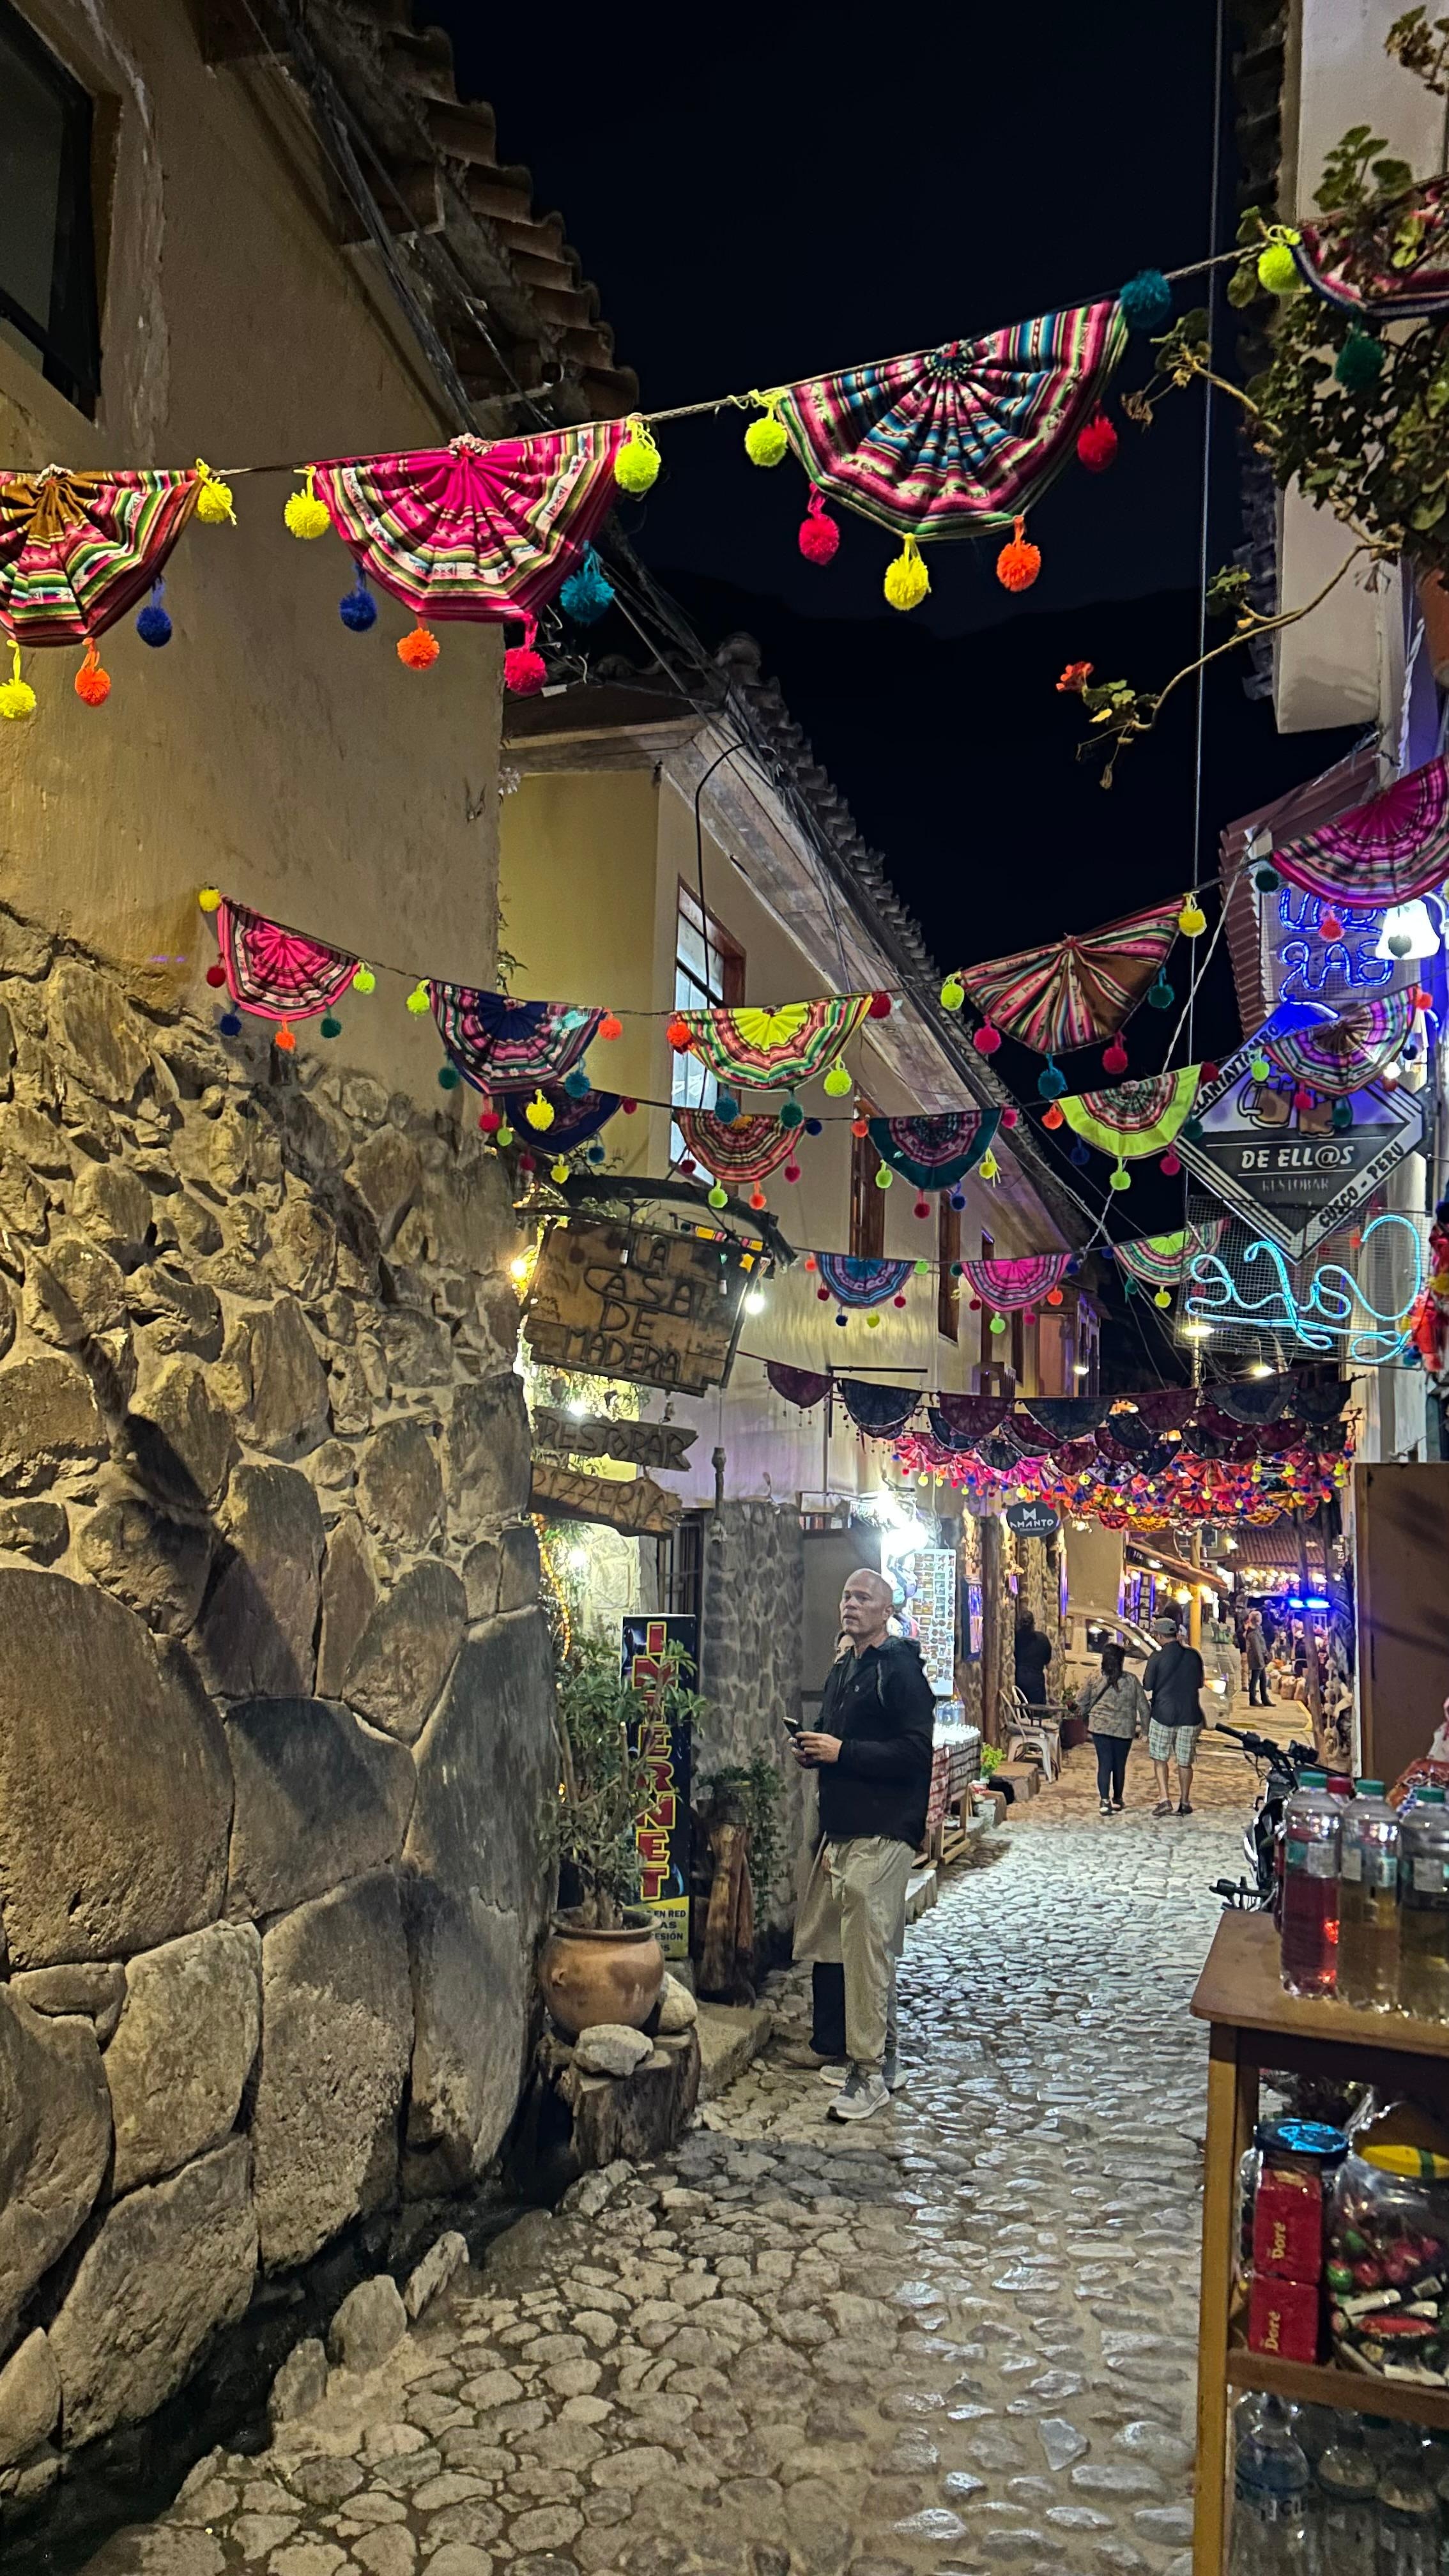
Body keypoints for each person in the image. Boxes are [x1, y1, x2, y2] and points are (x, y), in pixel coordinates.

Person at [792, 1568, 935, 2124]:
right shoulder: (845, 1667)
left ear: (885, 1611)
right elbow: (835, 1733)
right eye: (846, 1595)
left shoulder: (899, 1672)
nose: (850, 1605)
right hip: (845, 1830)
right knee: (861, 1950)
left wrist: (843, 1753)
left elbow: (915, 1753)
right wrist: (815, 1748)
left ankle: (867, 2074)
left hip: (883, 1831)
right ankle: (887, 2059)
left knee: (866, 1953)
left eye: (863, 1598)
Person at [1143, 1610, 1207, 1819]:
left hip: (1163, 1714)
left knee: (1160, 1758)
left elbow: (1148, 1685)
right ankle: (1185, 1801)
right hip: (1190, 1714)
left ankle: (1164, 1799)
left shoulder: (1156, 1657)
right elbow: (1199, 1683)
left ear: (1160, 1636)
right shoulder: (1193, 1655)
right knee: (1184, 1761)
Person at [1075, 1641, 1149, 1817]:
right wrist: (1145, 1731)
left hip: (1100, 1728)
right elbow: (1144, 1708)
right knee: (1120, 1765)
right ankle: (1118, 1798)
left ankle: (1104, 1801)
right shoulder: (1131, 1681)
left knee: (1104, 1763)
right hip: (1124, 1730)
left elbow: (1081, 1700)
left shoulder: (1095, 1677)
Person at [1014, 1609, 1053, 1706]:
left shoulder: (1016, 1638)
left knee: (1020, 1711)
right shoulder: (1042, 1639)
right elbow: (1047, 1660)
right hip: (1036, 1682)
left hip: (1018, 1680)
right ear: (1033, 1624)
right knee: (1036, 1712)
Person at [1244, 1609, 1271, 1709]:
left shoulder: (1257, 1631)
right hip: (1257, 1660)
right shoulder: (1253, 1634)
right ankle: (1253, 1699)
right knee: (1254, 1680)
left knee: (1263, 1680)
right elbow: (1257, 1649)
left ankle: (1265, 1699)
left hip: (1260, 1660)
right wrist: (1261, 1662)